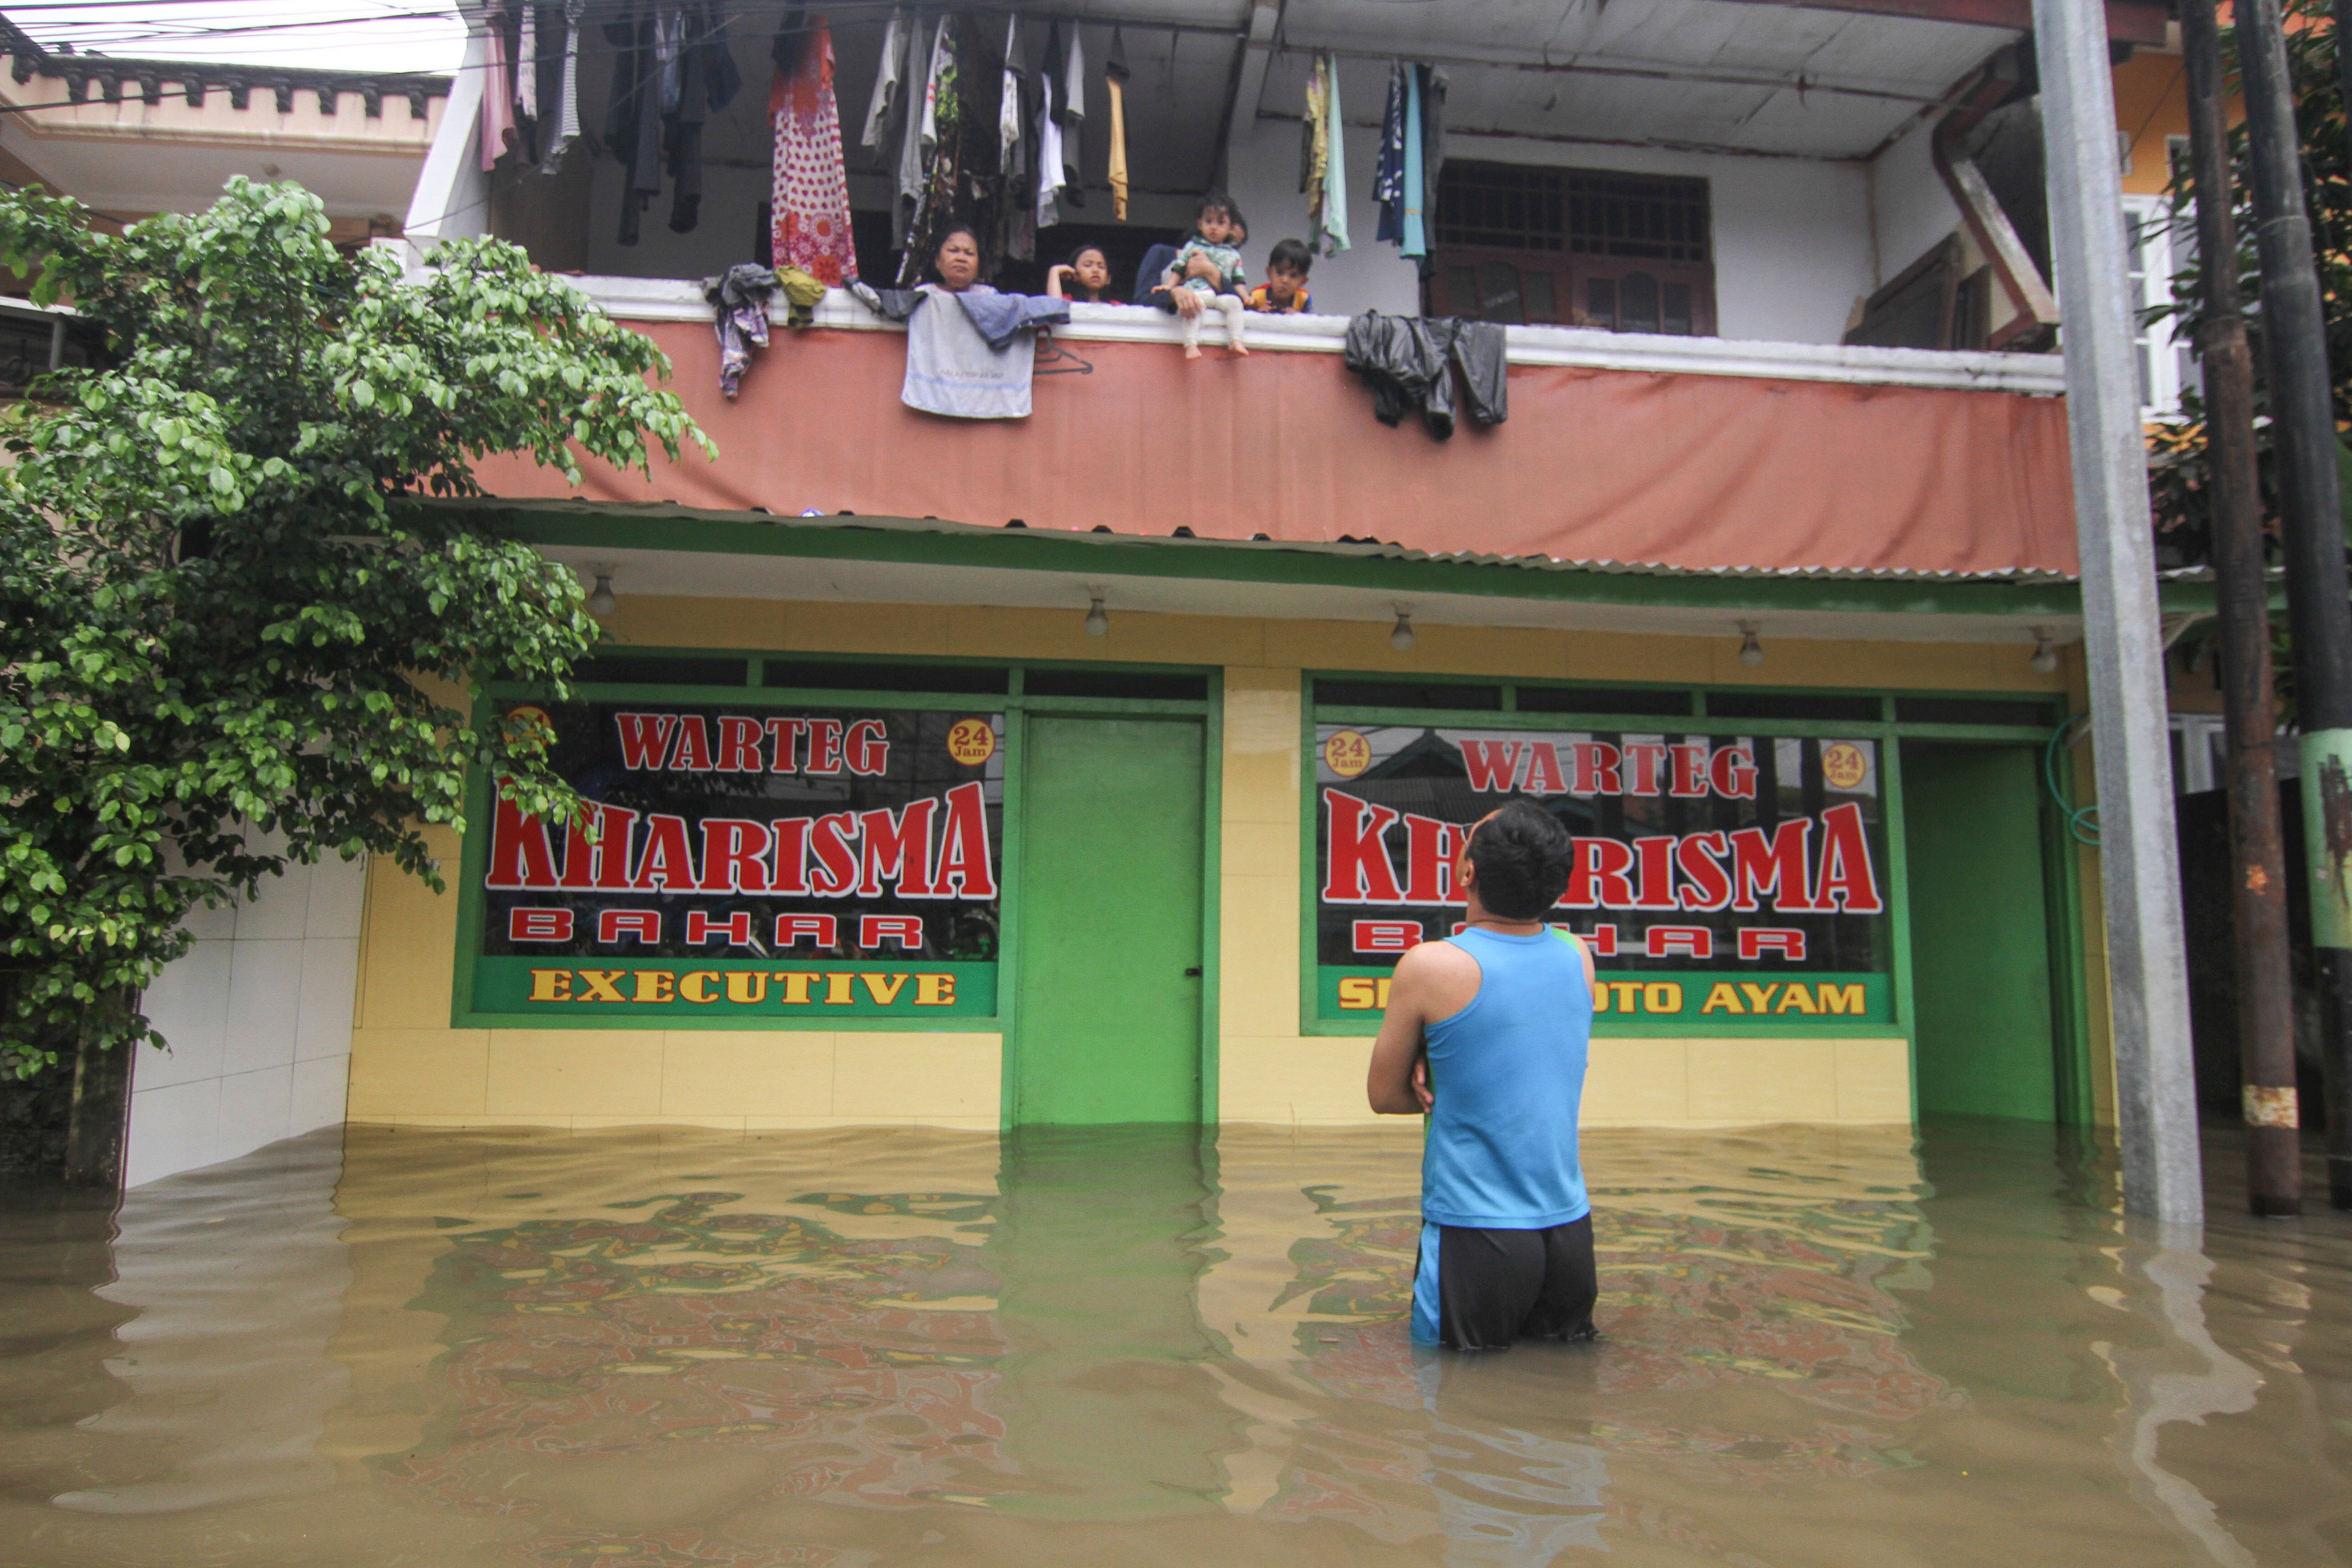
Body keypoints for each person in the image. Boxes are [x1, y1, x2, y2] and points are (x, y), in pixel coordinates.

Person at [1365, 800, 1598, 1352]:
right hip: (1569, 1234)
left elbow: (1385, 1095)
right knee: (1563, 1392)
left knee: (1452, 1392)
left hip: (1475, 1234)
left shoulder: (1431, 965)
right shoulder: (1578, 955)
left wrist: (1431, 1068)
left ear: (1467, 872)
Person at [1160, 190, 1250, 358]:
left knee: (1235, 303)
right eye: (1209, 221)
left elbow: (1238, 281)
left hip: (1218, 296)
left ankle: (1236, 340)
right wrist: (1169, 286)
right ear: (1200, 224)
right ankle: (1191, 344)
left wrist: (1246, 297)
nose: (1214, 227)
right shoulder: (1192, 247)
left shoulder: (1234, 254)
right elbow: (1179, 269)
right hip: (1198, 291)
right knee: (1193, 305)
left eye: (1221, 223)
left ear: (1231, 228)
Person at [1247, 238, 1314, 313]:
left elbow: (1312, 319)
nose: (1285, 280)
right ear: (1269, 273)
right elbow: (1242, 317)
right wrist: (1258, 314)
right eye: (1280, 273)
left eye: (1293, 276)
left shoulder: (1304, 299)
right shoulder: (1255, 296)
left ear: (1303, 281)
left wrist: (1298, 317)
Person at [1046, 243, 1118, 302]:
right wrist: (1054, 271)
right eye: (1088, 265)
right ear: (1074, 274)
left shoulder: (1116, 307)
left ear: (1108, 279)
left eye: (1101, 267)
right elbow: (1054, 308)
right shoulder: (1067, 301)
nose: (1096, 270)